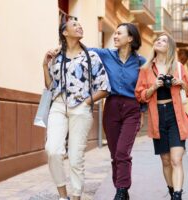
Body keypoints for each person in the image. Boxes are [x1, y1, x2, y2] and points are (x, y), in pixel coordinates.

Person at [42, 17, 110, 200]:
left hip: (80, 107)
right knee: (53, 150)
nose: (79, 26)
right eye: (74, 25)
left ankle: (76, 195)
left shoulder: (91, 57)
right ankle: (63, 196)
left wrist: (86, 102)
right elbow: (49, 86)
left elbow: (104, 88)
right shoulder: (55, 57)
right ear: (65, 32)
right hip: (58, 105)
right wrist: (44, 64)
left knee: (75, 157)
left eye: (80, 25)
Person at [135, 33, 188, 200]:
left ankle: (177, 196)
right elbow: (140, 95)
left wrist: (180, 82)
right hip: (158, 117)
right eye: (157, 39)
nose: (159, 42)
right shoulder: (146, 69)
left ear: (169, 47)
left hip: (175, 115)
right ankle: (172, 192)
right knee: (166, 160)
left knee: (176, 159)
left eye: (163, 40)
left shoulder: (177, 67)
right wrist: (153, 87)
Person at [89, 23, 146, 200]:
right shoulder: (106, 55)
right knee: (115, 154)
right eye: (114, 33)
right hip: (111, 106)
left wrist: (142, 111)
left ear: (130, 38)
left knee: (122, 152)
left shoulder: (141, 62)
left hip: (132, 108)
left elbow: (145, 87)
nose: (114, 36)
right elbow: (84, 51)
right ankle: (122, 190)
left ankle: (121, 190)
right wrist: (63, 47)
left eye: (119, 33)